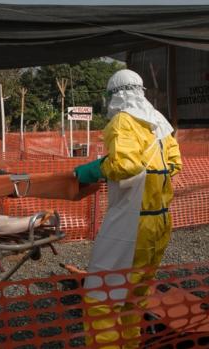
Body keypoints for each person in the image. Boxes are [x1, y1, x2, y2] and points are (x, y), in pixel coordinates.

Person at [74, 69, 182, 348]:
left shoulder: (124, 120)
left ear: (115, 95)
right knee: (134, 297)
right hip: (159, 223)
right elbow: (174, 164)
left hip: (131, 225)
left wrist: (94, 169)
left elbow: (125, 165)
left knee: (102, 298)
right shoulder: (159, 123)